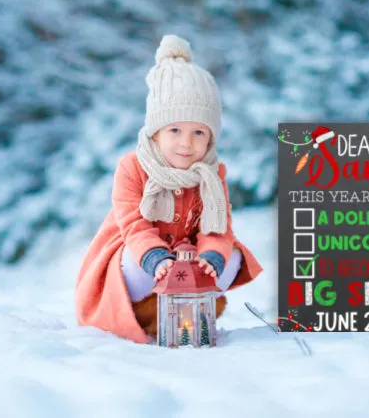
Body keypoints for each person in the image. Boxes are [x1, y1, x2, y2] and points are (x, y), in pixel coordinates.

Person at [75, 35, 263, 344]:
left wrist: (210, 258)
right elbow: (133, 224)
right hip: (138, 255)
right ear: (155, 133)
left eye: (198, 132)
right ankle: (143, 311)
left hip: (188, 262)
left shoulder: (212, 174)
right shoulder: (133, 167)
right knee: (138, 266)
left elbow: (218, 228)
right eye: (174, 130)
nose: (186, 143)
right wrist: (156, 258)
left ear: (210, 138)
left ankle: (191, 304)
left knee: (232, 257)